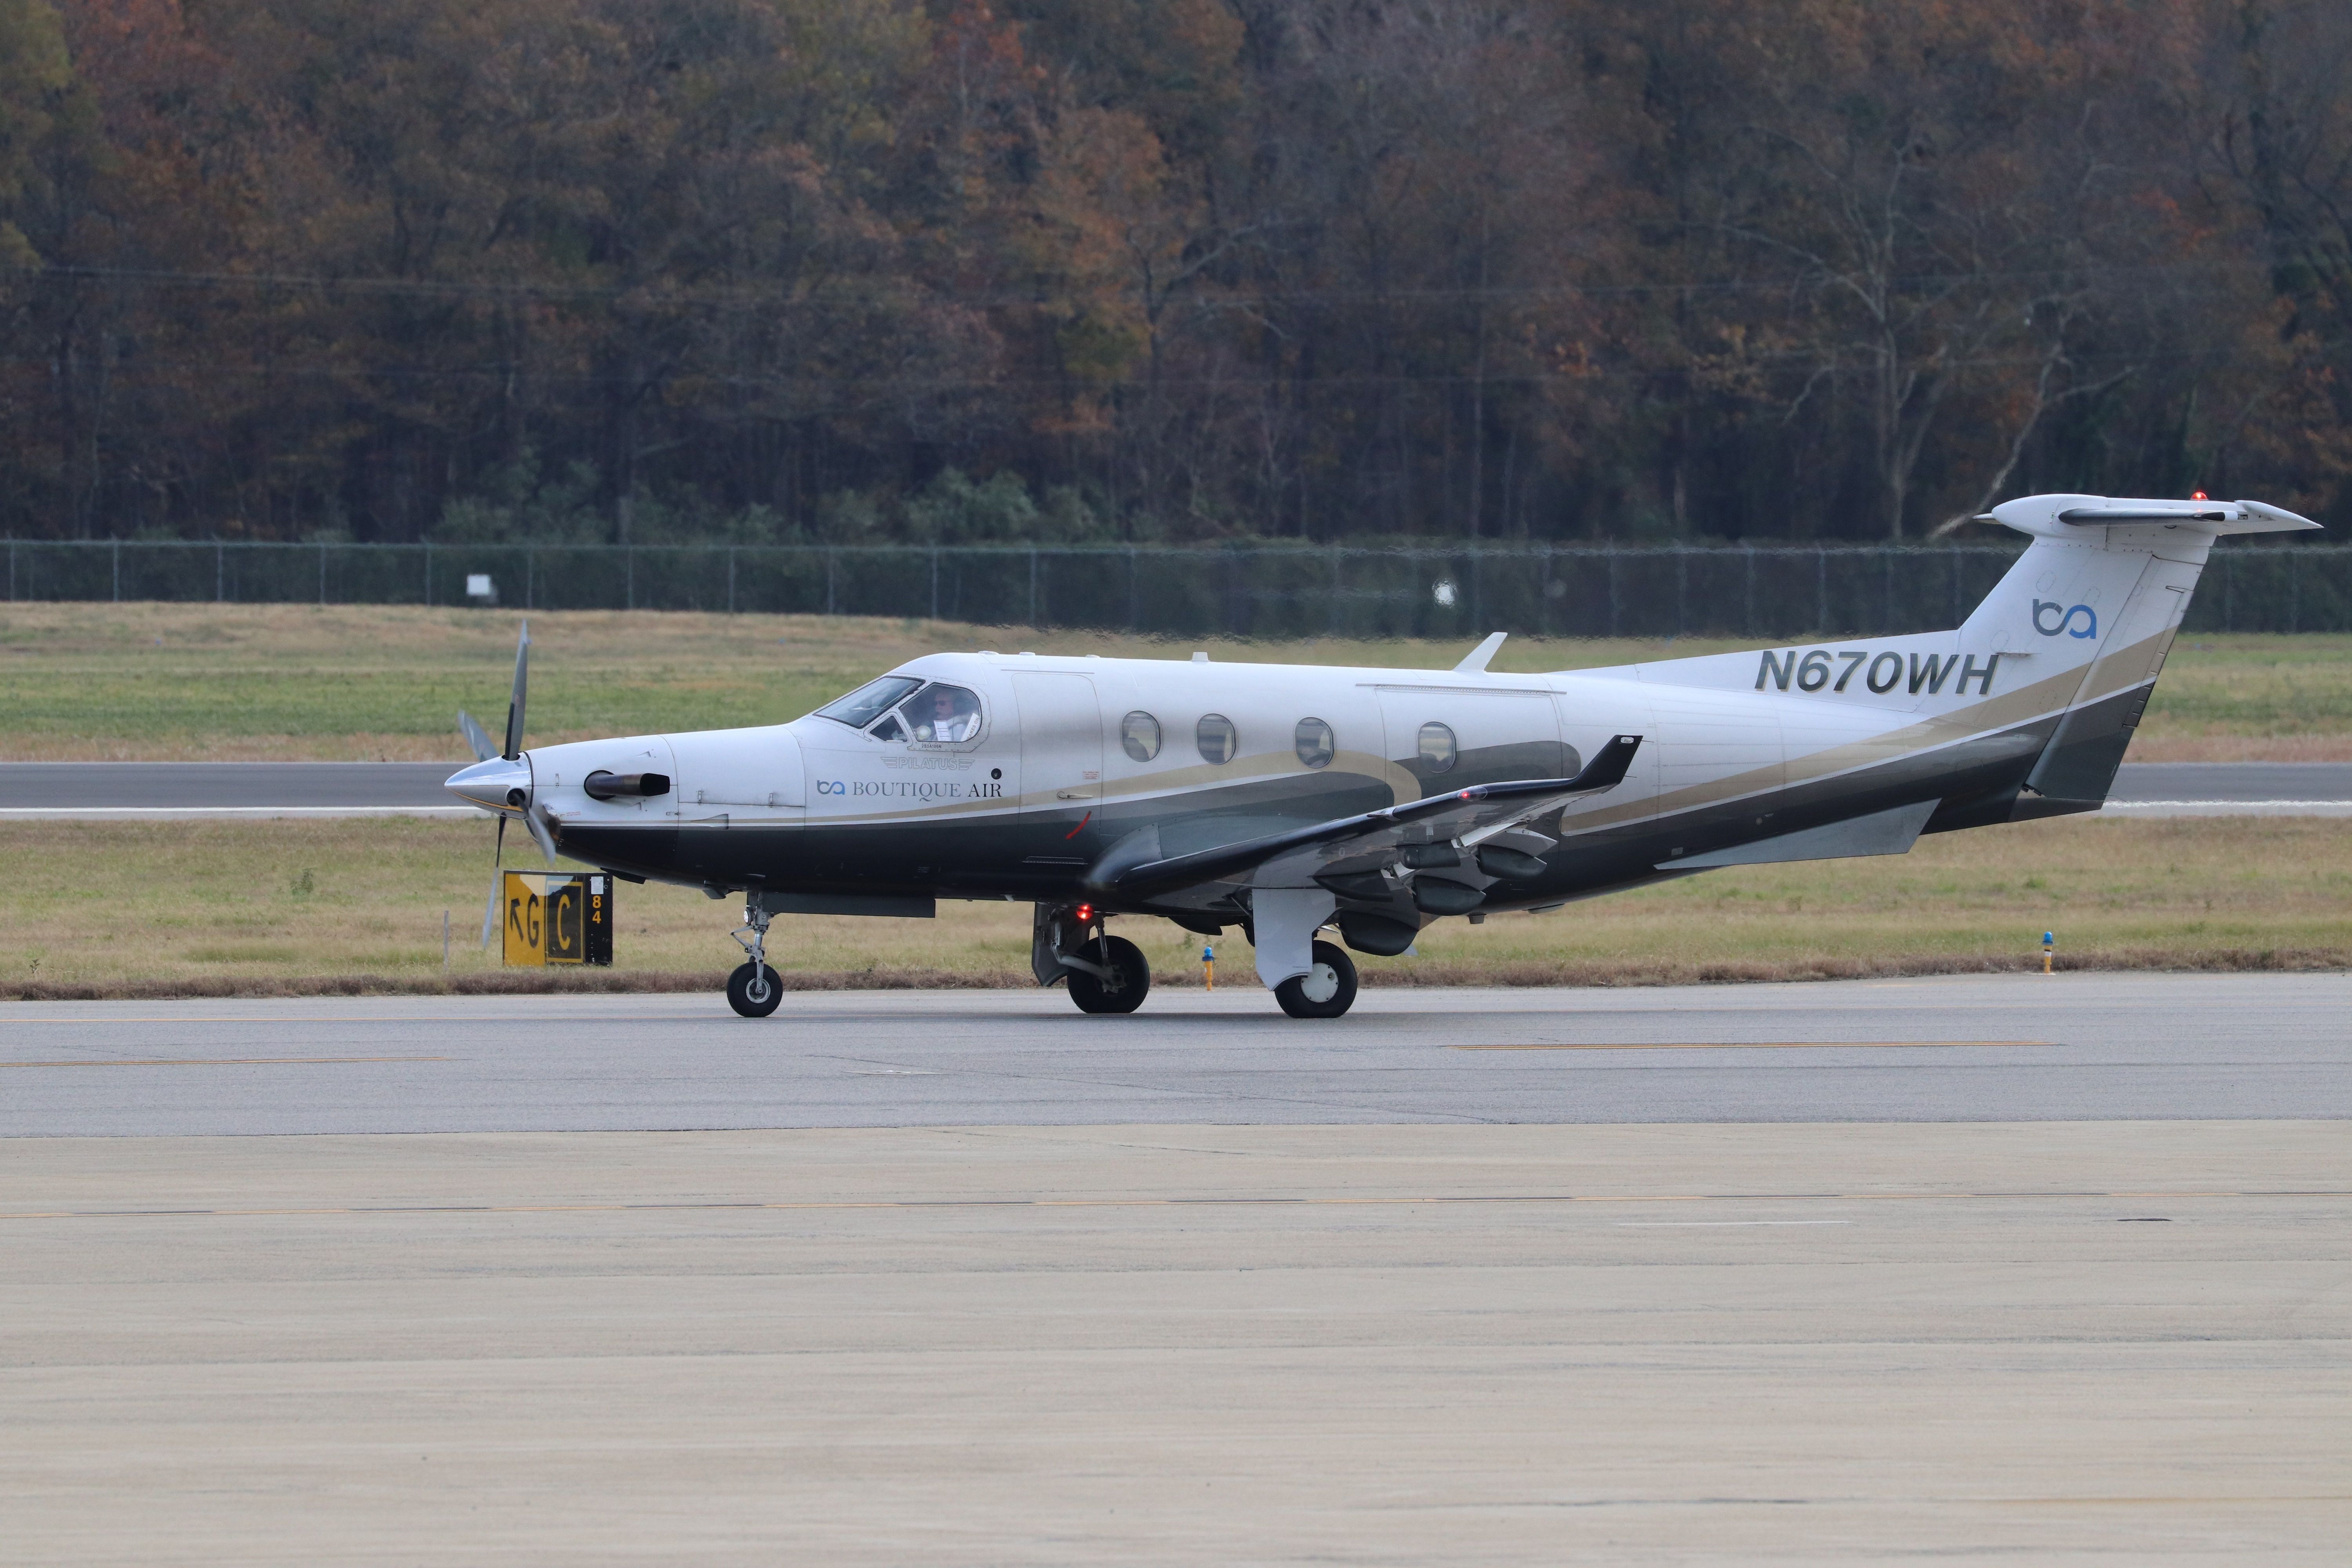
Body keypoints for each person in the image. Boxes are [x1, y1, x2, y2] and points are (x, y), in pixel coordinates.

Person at [911, 684, 980, 743]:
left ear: (955, 705)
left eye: (942, 703)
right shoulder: (934, 725)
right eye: (935, 704)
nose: (937, 707)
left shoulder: (958, 729)